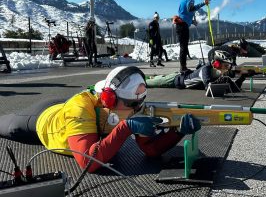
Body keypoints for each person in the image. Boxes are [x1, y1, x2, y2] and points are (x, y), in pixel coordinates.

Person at [0, 66, 201, 173]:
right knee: (4, 125)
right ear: (109, 99)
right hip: (42, 119)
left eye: (138, 104)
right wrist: (126, 127)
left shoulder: (129, 104)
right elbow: (88, 162)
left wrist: (178, 132)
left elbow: (150, 150)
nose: (136, 110)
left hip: (66, 109)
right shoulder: (79, 109)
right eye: (130, 105)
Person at [146, 50, 250, 92]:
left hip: (181, 77)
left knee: (154, 79)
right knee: (147, 83)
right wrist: (222, 80)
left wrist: (242, 78)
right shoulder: (206, 70)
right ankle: (146, 78)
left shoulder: (217, 72)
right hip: (175, 79)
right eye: (226, 65)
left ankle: (153, 77)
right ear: (217, 64)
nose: (228, 68)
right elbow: (209, 88)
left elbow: (233, 89)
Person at [174, 0, 210, 72]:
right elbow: (190, 8)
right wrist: (203, 3)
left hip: (181, 24)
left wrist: (191, 21)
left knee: (184, 46)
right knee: (184, 47)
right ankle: (183, 68)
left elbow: (182, 12)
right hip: (182, 25)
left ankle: (183, 67)